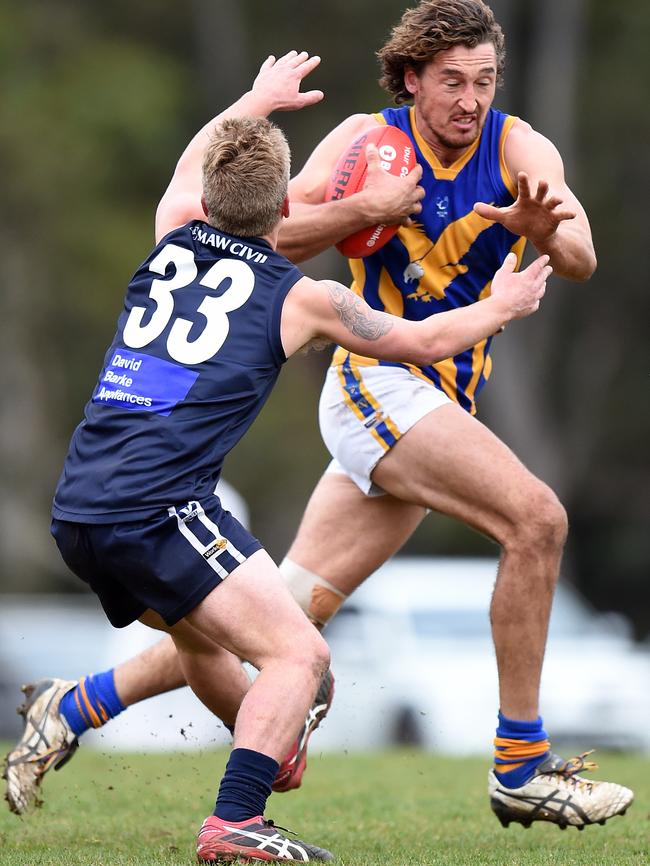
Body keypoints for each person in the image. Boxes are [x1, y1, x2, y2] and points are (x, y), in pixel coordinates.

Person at [4, 35, 556, 863]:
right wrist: (504, 302)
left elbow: (191, 168)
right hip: (160, 508)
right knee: (301, 653)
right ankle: (233, 822)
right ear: (287, 211)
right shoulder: (303, 295)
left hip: (79, 506)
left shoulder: (171, 232)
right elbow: (422, 340)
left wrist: (254, 103)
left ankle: (149, 729)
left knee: (222, 656)